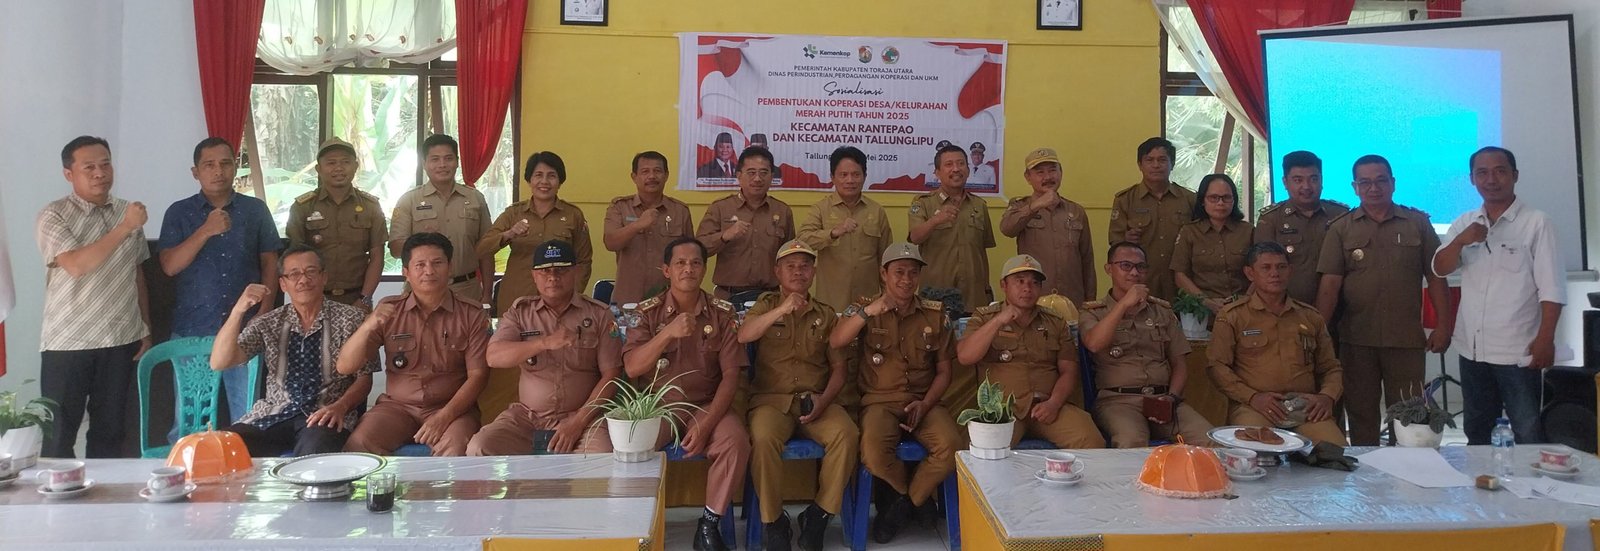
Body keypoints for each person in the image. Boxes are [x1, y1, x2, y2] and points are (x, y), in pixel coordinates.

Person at [1315, 155, 1453, 446]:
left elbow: (1436, 277)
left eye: (1380, 180)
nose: (1373, 188)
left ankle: (1404, 471)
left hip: (1405, 340)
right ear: (1355, 187)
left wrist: (1444, 326)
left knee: (1408, 415)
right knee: (1361, 414)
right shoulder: (1341, 228)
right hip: (1357, 340)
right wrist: (1319, 332)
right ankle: (1367, 471)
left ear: (1393, 183)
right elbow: (1330, 285)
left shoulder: (1417, 224)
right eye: (1365, 182)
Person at [624, 237, 751, 551]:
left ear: (704, 269)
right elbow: (632, 367)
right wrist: (667, 333)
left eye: (695, 263)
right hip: (658, 405)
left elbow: (731, 376)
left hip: (706, 404)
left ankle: (709, 524)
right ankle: (636, 527)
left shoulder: (722, 313)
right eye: (680, 263)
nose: (688, 269)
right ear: (666, 270)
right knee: (630, 444)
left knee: (735, 441)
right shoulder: (647, 312)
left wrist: (706, 424)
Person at [829, 242, 960, 545]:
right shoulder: (864, 308)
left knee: (952, 446)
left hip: (924, 401)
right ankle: (911, 498)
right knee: (873, 453)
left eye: (913, 273)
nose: (906, 279)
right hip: (879, 402)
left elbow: (944, 371)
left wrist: (926, 403)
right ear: (883, 274)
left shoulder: (935, 314)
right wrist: (867, 313)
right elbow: (837, 340)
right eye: (899, 272)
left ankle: (903, 506)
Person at [1433, 146, 1563, 445]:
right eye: (1482, 173)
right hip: (1472, 349)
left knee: (1527, 430)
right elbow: (1440, 268)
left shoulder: (1537, 222)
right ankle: (1481, 475)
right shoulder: (1465, 222)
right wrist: (1461, 241)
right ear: (1472, 179)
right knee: (1477, 429)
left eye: (1500, 171)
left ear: (1515, 175)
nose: (1491, 180)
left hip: (1517, 348)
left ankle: (1526, 477)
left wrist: (1546, 338)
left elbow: (1552, 287)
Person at [737, 240, 859, 551]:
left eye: (805, 266)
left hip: (815, 400)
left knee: (846, 434)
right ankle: (774, 521)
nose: (798, 272)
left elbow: (839, 369)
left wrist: (823, 401)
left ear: (813, 273)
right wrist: (782, 308)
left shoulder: (827, 315)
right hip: (771, 402)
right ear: (777, 272)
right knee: (762, 438)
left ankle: (818, 515)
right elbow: (744, 334)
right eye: (790, 266)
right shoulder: (765, 304)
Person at [36, 135, 152, 458]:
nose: (100, 173)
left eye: (105, 164)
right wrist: (124, 228)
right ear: (69, 174)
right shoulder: (53, 215)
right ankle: (60, 493)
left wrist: (145, 326)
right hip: (68, 342)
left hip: (121, 338)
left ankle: (104, 492)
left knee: (110, 434)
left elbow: (137, 272)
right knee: (59, 436)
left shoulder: (128, 212)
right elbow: (76, 265)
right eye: (89, 167)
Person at [158, 137, 282, 431]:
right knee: (190, 418)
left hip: (245, 330)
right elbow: (170, 266)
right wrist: (205, 230)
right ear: (195, 172)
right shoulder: (179, 212)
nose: (218, 171)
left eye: (225, 164)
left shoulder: (255, 210)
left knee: (247, 416)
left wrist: (263, 314)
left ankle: (245, 462)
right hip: (193, 328)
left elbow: (270, 264)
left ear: (235, 167)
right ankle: (189, 461)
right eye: (209, 165)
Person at [210, 246, 374, 457]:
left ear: (324, 277)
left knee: (313, 454)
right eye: (294, 274)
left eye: (311, 271)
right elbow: (219, 362)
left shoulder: (352, 319)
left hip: (324, 415)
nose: (303, 280)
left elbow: (364, 379)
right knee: (223, 448)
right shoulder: (268, 322)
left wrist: (340, 407)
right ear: (283, 284)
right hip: (273, 414)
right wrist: (238, 311)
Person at [340, 233, 490, 456]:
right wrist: (368, 325)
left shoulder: (471, 314)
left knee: (456, 449)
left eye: (437, 263)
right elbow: (345, 367)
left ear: (449, 268)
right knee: (359, 444)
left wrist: (445, 416)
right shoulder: (389, 310)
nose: (429, 271)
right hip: (397, 408)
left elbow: (478, 376)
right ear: (406, 272)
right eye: (420, 265)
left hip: (452, 408)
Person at [468, 240, 620, 455]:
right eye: (545, 271)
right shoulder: (520, 312)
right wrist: (543, 343)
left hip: (583, 418)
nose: (553, 277)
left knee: (602, 455)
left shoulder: (599, 314)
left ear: (576, 272)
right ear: (534, 275)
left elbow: (611, 375)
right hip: (528, 418)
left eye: (561, 270)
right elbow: (494, 357)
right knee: (480, 446)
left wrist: (577, 423)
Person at [956, 254, 1105, 449]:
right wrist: (998, 321)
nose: (1027, 288)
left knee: (1092, 441)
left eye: (1035, 282)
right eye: (1020, 281)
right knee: (985, 449)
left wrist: (1054, 404)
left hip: (1048, 406)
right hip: (1003, 411)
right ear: (1003, 285)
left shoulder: (1055, 321)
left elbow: (1069, 370)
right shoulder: (984, 317)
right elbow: (965, 356)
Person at [1211, 242, 1346, 445]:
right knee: (1253, 451)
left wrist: (1327, 397)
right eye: (1266, 267)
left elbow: (1331, 368)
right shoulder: (1233, 316)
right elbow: (1217, 367)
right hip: (1255, 407)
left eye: (1281, 267)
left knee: (1337, 452)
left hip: (1304, 407)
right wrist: (1252, 397)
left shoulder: (1310, 316)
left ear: (1290, 271)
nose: (1275, 273)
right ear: (1250, 273)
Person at [1080, 242, 1214, 448]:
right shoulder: (1093, 312)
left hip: (1163, 399)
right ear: (1109, 269)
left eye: (1141, 267)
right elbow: (1094, 344)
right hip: (1118, 402)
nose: (1134, 272)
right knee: (1131, 442)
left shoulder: (1162, 312)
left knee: (1209, 440)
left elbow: (1179, 364)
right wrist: (1123, 305)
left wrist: (1172, 397)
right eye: (1126, 266)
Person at [477, 150, 592, 314]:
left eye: (551, 176)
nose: (544, 181)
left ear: (560, 182)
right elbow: (482, 249)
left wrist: (573, 295)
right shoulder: (513, 214)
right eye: (538, 175)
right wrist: (509, 234)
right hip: (516, 299)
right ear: (529, 180)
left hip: (559, 302)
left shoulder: (573, 215)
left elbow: (584, 261)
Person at [388, 134, 494, 304]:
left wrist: (487, 294)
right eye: (435, 159)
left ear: (457, 162)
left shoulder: (475, 198)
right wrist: (420, 241)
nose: (442, 165)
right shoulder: (409, 200)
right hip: (422, 291)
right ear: (424, 164)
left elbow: (487, 249)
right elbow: (395, 249)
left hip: (467, 290)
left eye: (448, 158)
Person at [286, 137, 386, 308]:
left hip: (357, 298)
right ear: (319, 169)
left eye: (345, 162)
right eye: (331, 163)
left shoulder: (370, 206)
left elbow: (377, 256)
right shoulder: (302, 207)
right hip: (314, 299)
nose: (338, 168)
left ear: (355, 166)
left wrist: (364, 298)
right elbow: (294, 258)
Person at [796, 145, 892, 311]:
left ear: (865, 176)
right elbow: (802, 240)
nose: (850, 180)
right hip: (831, 303)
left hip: (869, 302)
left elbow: (886, 260)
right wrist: (833, 233)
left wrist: (887, 295)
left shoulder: (877, 211)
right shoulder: (821, 209)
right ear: (832, 177)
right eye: (843, 175)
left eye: (856, 174)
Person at [1000, 147, 1096, 305]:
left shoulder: (1076, 211)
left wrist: (1090, 301)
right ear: (1028, 177)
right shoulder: (1020, 206)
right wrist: (1036, 205)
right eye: (1040, 172)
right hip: (1034, 299)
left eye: (1052, 170)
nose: (1047, 177)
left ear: (1061, 172)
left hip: (1072, 299)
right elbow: (1007, 229)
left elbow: (1087, 260)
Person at [696, 146, 795, 300]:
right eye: (751, 173)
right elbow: (699, 249)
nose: (757, 179)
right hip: (728, 296)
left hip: (769, 297)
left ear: (771, 176)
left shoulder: (782, 211)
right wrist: (724, 236)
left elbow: (790, 255)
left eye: (764, 173)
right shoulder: (720, 208)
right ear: (739, 175)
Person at [908, 143, 995, 314]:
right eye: (949, 164)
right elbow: (915, 237)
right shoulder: (923, 203)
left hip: (973, 295)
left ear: (968, 170)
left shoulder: (979, 205)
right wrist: (935, 220)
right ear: (937, 172)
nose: (956, 169)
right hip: (936, 296)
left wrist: (986, 287)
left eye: (961, 163)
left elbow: (982, 252)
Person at [1253, 151, 1348, 305]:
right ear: (1285, 182)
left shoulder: (1340, 215)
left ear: (1322, 180)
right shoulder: (1271, 219)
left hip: (1340, 308)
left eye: (1313, 179)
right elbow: (1263, 270)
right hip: (1287, 309)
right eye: (1298, 180)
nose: (1307, 186)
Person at [1108, 137, 1195, 302]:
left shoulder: (1189, 199)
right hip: (1141, 282)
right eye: (1149, 160)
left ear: (1172, 164)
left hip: (1181, 284)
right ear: (1140, 165)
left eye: (1162, 160)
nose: (1156, 165)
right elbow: (1115, 242)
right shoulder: (1125, 199)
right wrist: (1126, 240)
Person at [603, 151, 693, 304]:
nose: (652, 176)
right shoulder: (620, 207)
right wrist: (637, 225)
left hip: (669, 299)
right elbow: (610, 243)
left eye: (657, 171)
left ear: (666, 175)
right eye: (645, 171)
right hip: (629, 299)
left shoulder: (680, 211)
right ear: (634, 177)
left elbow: (691, 253)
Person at [1172, 173, 1251, 311]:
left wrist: (1246, 299)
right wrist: (1206, 302)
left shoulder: (1248, 231)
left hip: (1245, 309)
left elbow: (1261, 271)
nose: (1220, 203)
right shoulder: (1189, 232)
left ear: (1234, 200)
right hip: (1203, 311)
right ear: (1203, 201)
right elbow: (1180, 275)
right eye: (1214, 198)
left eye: (1226, 197)